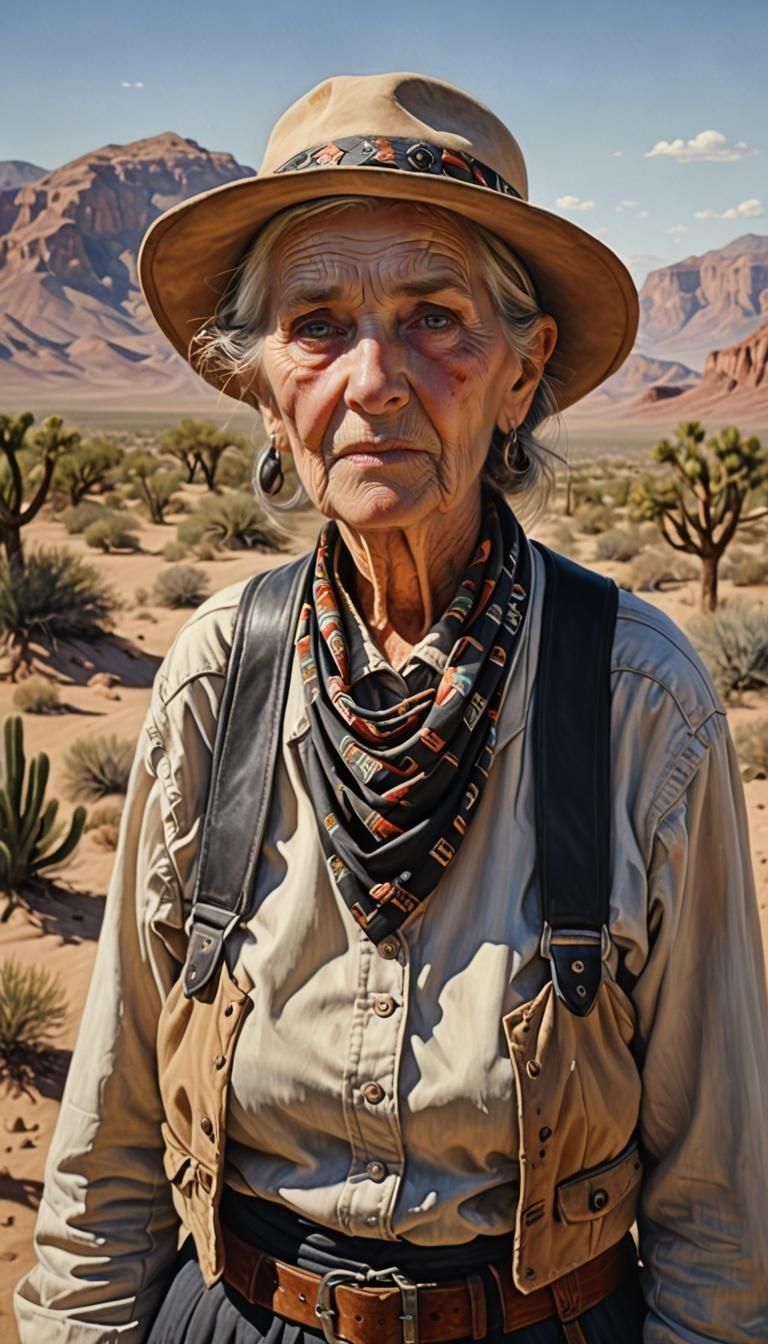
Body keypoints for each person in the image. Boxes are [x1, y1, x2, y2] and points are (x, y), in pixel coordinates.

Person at [15, 71, 768, 1344]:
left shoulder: (638, 699)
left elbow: (716, 1211)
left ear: (522, 374)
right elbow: (112, 1148)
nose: (374, 377)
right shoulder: (216, 676)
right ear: (259, 385)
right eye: (316, 324)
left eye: (436, 317)